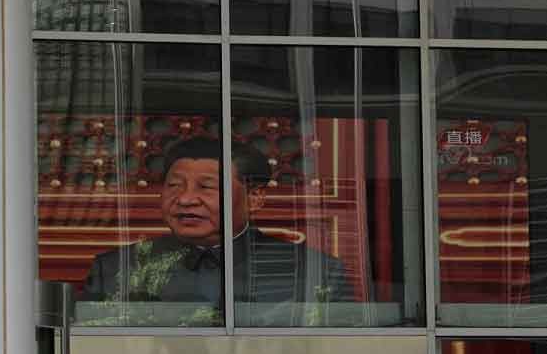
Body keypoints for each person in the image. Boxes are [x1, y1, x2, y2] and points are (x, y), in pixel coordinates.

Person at [78, 137, 353, 319]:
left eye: (207, 187)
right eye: (174, 186)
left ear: (254, 198)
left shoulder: (316, 272)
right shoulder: (116, 269)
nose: (185, 199)